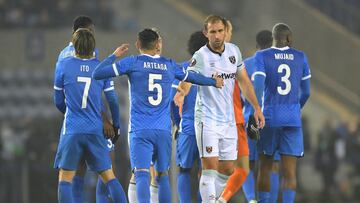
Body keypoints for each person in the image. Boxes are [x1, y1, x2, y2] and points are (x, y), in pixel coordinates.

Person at [92, 28, 224, 203]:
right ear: (157, 44)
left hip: (140, 130)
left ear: (138, 44)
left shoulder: (132, 62)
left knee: (141, 175)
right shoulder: (169, 65)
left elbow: (97, 73)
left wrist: (114, 55)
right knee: (162, 177)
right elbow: (192, 77)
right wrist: (213, 82)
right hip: (162, 130)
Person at [174, 15, 265, 202]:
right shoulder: (201, 55)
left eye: (220, 31)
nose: (217, 36)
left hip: (228, 121)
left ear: (225, 32)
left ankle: (216, 199)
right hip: (206, 121)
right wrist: (181, 92)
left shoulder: (234, 52)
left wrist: (256, 106)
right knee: (209, 169)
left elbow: (244, 81)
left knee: (227, 170)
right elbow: (189, 77)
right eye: (213, 32)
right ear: (206, 33)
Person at [53, 28, 127, 203]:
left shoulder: (63, 65)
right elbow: (113, 101)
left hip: (72, 129)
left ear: (75, 46)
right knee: (109, 177)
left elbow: (58, 101)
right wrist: (115, 125)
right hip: (95, 128)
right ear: (93, 47)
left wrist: (72, 112)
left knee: (65, 178)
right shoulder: (100, 68)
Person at [253, 23, 311, 203]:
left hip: (269, 118)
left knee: (265, 168)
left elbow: (259, 85)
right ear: (289, 39)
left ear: (273, 38)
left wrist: (257, 109)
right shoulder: (301, 57)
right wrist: (295, 108)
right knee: (289, 173)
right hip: (292, 120)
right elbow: (307, 92)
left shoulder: (262, 55)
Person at [237, 30, 279, 203]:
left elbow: (239, 95)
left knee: (247, 165)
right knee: (272, 166)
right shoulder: (279, 64)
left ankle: (252, 199)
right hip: (273, 120)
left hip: (250, 119)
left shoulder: (246, 65)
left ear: (256, 46)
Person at [170, 30, 208, 203]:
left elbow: (173, 102)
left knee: (184, 170)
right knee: (206, 171)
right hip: (210, 127)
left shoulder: (180, 69)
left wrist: (178, 124)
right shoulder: (215, 71)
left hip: (187, 126)